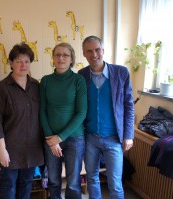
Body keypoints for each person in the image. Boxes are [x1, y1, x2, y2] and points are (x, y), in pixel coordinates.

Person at [78, 35, 134, 199]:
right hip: (90, 138)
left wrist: (129, 135)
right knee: (92, 178)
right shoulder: (81, 75)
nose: (94, 54)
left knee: (115, 184)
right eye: (89, 51)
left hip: (114, 139)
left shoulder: (121, 72)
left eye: (97, 50)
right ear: (84, 54)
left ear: (103, 50)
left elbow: (128, 105)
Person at [0, 43, 44, 199]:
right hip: (10, 148)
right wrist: (2, 150)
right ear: (11, 63)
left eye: (27, 61)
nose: (23, 65)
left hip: (32, 148)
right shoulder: (2, 87)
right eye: (19, 60)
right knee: (8, 186)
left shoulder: (36, 85)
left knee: (27, 183)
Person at [40, 42, 87, 199]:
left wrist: (60, 138)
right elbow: (42, 110)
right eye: (57, 54)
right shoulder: (45, 81)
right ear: (53, 58)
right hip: (50, 139)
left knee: (73, 182)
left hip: (74, 138)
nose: (61, 58)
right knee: (53, 180)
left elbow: (81, 113)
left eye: (65, 55)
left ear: (71, 58)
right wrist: (50, 138)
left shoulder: (78, 80)